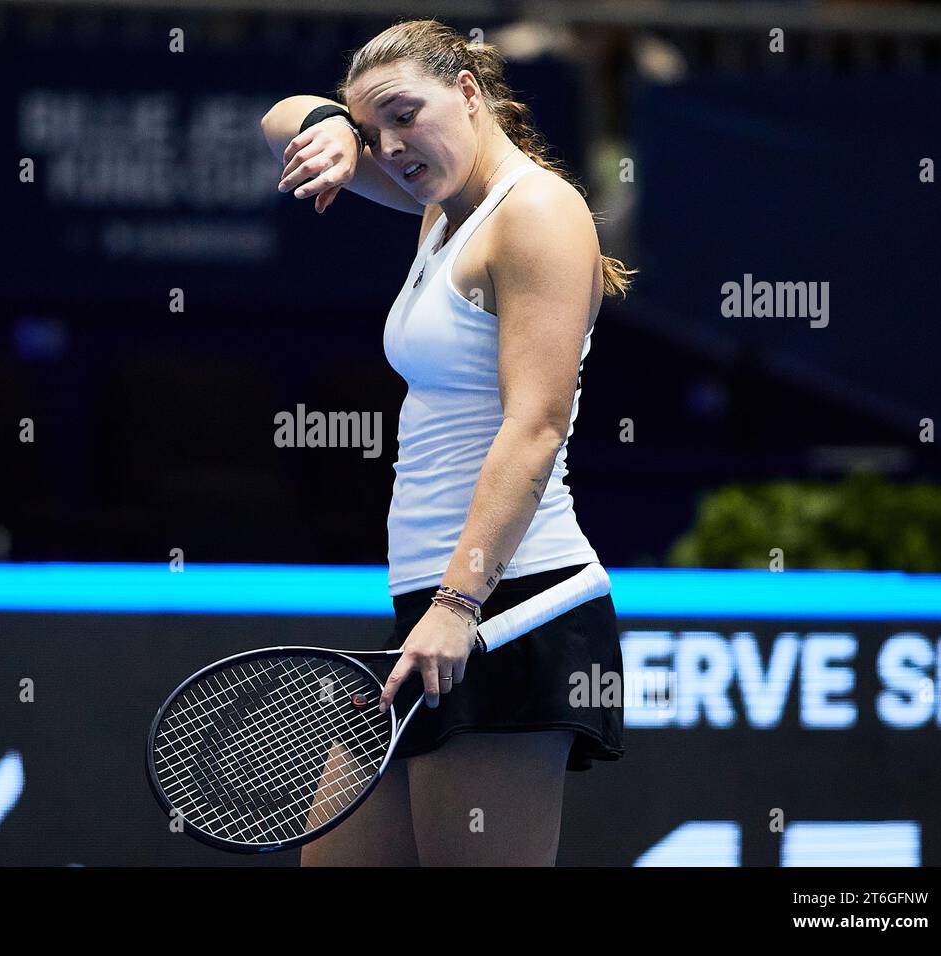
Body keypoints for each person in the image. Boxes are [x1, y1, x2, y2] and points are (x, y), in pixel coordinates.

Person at [261, 19, 635, 866]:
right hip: (431, 609)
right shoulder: (438, 202)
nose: (390, 147)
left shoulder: (536, 211)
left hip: (507, 603)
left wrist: (460, 604)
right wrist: (331, 128)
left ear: (469, 92)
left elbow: (534, 429)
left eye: (405, 115)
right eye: (374, 132)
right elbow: (277, 117)